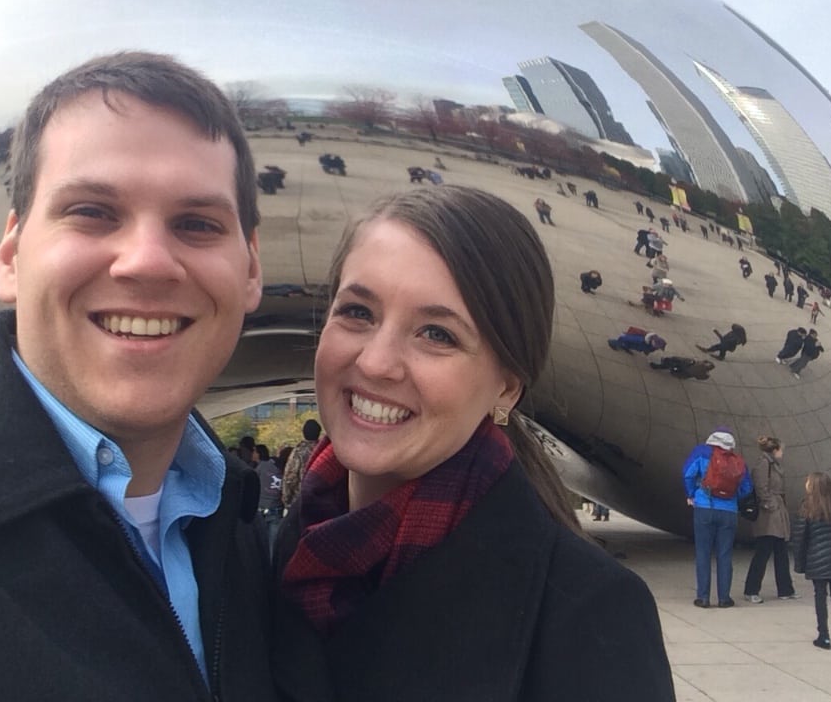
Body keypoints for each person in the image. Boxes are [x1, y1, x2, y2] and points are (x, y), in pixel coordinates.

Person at [0, 52, 277, 700]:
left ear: (251, 271)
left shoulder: (240, 520)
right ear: (10, 256)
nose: (147, 261)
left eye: (197, 224)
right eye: (92, 211)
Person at [273, 185, 675, 701]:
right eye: (358, 312)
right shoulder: (255, 562)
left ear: (505, 389)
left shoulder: (592, 616)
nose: (375, 362)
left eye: (436, 334)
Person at [683, 429, 754, 608]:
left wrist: (691, 494)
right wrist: (732, 497)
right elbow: (747, 487)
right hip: (729, 512)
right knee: (724, 555)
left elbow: (688, 474)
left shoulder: (702, 452)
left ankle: (703, 598)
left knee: (703, 553)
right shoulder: (738, 461)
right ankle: (724, 598)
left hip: (705, 508)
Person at [791, 472, 831, 649]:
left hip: (816, 561)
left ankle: (824, 636)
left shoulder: (807, 510)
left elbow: (799, 540)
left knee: (820, 596)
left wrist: (800, 564)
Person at [742, 437, 798, 603]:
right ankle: (751, 589)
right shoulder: (763, 464)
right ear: (774, 450)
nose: (782, 453)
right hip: (769, 513)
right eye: (780, 449)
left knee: (781, 551)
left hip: (777, 510)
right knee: (763, 551)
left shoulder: (773, 464)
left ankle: (785, 589)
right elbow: (760, 487)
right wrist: (770, 503)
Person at [282, 418, 322, 509]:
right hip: (322, 501)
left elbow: (290, 477)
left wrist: (286, 499)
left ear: (303, 433)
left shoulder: (298, 451)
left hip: (301, 501)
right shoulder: (323, 450)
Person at [255, 443, 284, 556]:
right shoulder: (279, 466)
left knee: (260, 544)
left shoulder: (261, 467)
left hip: (262, 508)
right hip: (277, 507)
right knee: (273, 545)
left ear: (258, 454)